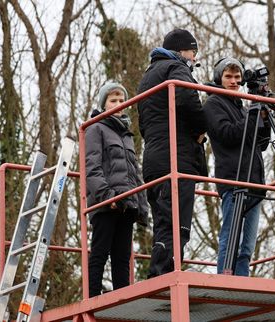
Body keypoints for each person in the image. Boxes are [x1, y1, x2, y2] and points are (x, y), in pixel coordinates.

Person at [137, 29, 207, 278]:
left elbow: (143, 124)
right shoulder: (177, 69)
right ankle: (164, 276)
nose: (194, 58)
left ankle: (160, 273)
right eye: (193, 52)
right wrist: (201, 128)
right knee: (179, 224)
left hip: (153, 159)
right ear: (181, 50)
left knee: (163, 222)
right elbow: (188, 100)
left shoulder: (147, 77)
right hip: (177, 158)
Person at [203, 58, 270, 276]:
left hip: (254, 183)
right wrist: (253, 114)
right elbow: (229, 135)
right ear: (218, 78)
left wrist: (264, 118)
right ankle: (225, 283)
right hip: (234, 181)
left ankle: (242, 284)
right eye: (228, 77)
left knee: (247, 247)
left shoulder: (242, 107)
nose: (234, 82)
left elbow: (262, 144)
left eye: (237, 77)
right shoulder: (213, 104)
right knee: (230, 239)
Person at [85, 82, 149, 297]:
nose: (119, 104)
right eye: (113, 100)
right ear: (104, 104)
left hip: (127, 203)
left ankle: (122, 301)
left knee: (123, 257)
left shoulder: (126, 135)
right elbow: (92, 168)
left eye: (122, 100)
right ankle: (92, 299)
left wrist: (141, 204)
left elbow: (134, 173)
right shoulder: (95, 128)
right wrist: (107, 197)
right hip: (106, 203)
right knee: (100, 252)